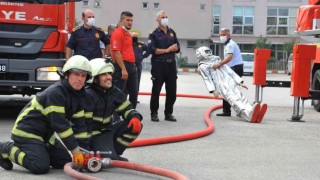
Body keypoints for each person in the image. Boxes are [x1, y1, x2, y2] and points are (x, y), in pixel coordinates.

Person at [0, 55, 92, 174]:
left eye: (83, 76)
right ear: (67, 75)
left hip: (45, 136)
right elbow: (61, 125)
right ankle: (5, 148)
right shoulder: (56, 93)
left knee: (64, 161)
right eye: (76, 74)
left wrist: (84, 151)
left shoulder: (79, 95)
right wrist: (75, 150)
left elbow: (80, 126)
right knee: (40, 166)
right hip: (27, 133)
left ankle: (40, 150)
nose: (80, 79)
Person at [86, 58, 143, 161]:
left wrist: (135, 116)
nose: (109, 77)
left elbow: (127, 107)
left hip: (107, 131)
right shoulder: (88, 95)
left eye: (109, 73)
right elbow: (82, 125)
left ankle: (114, 152)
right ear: (94, 78)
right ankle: (108, 154)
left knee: (134, 125)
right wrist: (84, 151)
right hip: (92, 136)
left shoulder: (113, 91)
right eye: (104, 74)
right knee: (107, 159)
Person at [196, 46, 268, 123]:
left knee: (241, 97)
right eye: (206, 52)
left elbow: (229, 71)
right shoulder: (203, 66)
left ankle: (253, 111)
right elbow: (207, 79)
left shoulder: (217, 60)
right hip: (221, 86)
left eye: (208, 51)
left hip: (230, 82)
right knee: (233, 99)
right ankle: (248, 115)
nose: (208, 53)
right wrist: (213, 90)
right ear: (201, 54)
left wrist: (239, 81)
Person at [148, 10, 180, 122]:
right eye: (162, 17)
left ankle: (168, 113)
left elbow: (178, 46)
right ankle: (154, 113)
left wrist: (176, 48)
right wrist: (167, 50)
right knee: (156, 91)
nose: (165, 18)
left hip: (171, 65)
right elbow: (152, 49)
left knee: (172, 92)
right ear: (157, 20)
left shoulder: (172, 32)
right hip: (158, 66)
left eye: (166, 16)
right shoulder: (153, 33)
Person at [110, 11, 138, 108]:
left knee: (134, 94)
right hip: (122, 67)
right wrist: (123, 69)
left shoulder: (128, 34)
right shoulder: (117, 33)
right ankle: (115, 117)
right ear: (121, 21)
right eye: (127, 20)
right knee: (119, 93)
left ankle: (131, 115)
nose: (130, 22)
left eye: (131, 20)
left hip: (132, 67)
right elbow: (116, 53)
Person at [213, 28, 244, 117]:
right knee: (229, 89)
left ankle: (234, 110)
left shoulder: (230, 45)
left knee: (228, 90)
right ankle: (228, 110)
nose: (222, 36)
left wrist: (219, 64)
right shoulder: (227, 44)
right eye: (221, 35)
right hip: (233, 69)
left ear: (229, 36)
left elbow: (229, 58)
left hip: (235, 69)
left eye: (224, 35)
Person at [132, 32, 150, 101]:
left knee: (137, 81)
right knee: (127, 82)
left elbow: (149, 50)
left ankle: (135, 98)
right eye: (133, 36)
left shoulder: (141, 44)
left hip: (138, 65)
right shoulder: (128, 44)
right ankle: (125, 98)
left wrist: (143, 56)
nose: (134, 37)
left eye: (136, 36)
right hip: (129, 65)